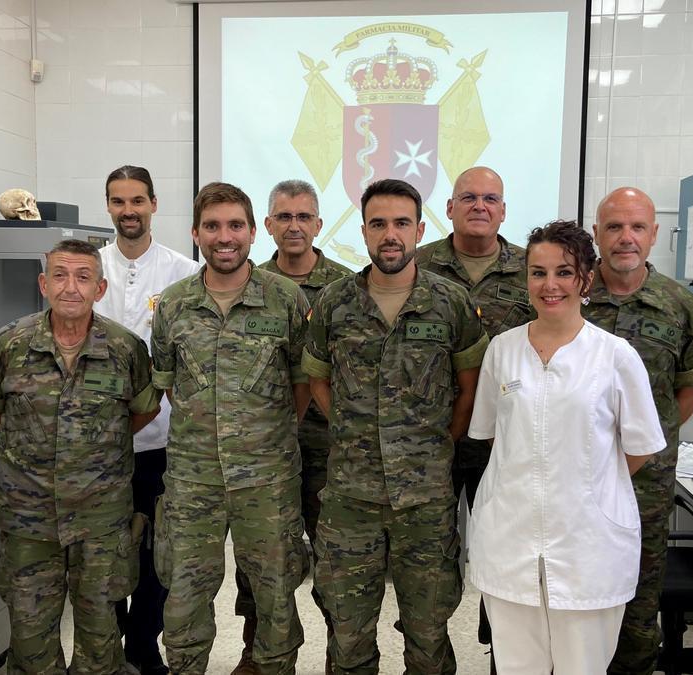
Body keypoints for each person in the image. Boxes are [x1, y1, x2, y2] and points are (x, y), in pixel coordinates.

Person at [304, 178, 489, 674]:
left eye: (401, 223)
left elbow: (469, 389)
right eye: (379, 223)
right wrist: (348, 425)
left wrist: (435, 445)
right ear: (363, 232)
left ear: (419, 229)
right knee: (347, 632)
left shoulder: (450, 303)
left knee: (429, 634)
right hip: (350, 499)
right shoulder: (333, 303)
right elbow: (317, 377)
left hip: (425, 501)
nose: (391, 234)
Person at [467, 221, 665, 673]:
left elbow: (638, 448)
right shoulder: (502, 350)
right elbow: (497, 436)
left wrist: (586, 486)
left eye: (563, 272)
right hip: (509, 539)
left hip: (588, 546)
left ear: (586, 279)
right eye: (538, 273)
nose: (550, 284)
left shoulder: (615, 356)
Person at [0, 239, 157, 675]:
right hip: (28, 520)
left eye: (83, 277)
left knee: (101, 640)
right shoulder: (8, 344)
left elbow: (144, 410)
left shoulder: (126, 349)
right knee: (31, 642)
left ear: (100, 289)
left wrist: (91, 446)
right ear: (43, 283)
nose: (71, 287)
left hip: (101, 521)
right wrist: (38, 442)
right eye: (60, 275)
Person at [150, 182, 311, 675]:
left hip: (268, 479)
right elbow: (171, 386)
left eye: (235, 225)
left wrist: (261, 435)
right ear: (196, 233)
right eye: (213, 226)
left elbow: (301, 386)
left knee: (275, 593)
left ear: (253, 232)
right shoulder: (173, 304)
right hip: (193, 479)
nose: (225, 237)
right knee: (184, 593)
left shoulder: (285, 299)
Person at [583, 187, 693, 675]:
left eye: (637, 227)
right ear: (596, 234)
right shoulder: (568, 294)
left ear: (654, 234)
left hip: (647, 489)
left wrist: (644, 448)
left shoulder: (680, 304)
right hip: (577, 480)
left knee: (639, 606)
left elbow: (688, 389)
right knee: (575, 598)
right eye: (614, 227)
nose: (625, 238)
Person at [230, 179, 352, 674]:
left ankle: (337, 655)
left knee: (334, 554)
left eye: (304, 217)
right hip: (260, 447)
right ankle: (256, 653)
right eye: (284, 217)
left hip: (328, 443)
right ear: (268, 226)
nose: (294, 225)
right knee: (260, 557)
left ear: (319, 225)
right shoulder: (246, 283)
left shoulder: (346, 287)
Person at [415, 166, 532, 661]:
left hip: (508, 441)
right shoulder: (417, 265)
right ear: (450, 208)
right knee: (432, 557)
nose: (479, 206)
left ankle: (501, 653)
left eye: (490, 198)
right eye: (468, 197)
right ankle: (429, 655)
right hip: (435, 438)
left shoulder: (534, 269)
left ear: (503, 210)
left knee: (506, 553)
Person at [94, 165, 201, 675]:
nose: (129, 211)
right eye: (119, 202)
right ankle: (110, 644)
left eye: (138, 201)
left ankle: (142, 642)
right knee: (105, 552)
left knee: (160, 554)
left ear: (154, 204)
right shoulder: (87, 270)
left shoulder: (183, 272)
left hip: (163, 442)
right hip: (96, 447)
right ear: (109, 207)